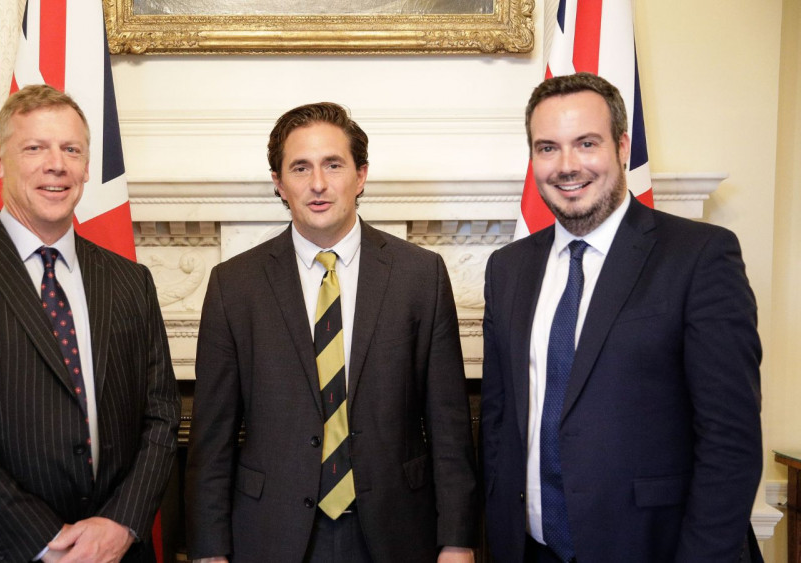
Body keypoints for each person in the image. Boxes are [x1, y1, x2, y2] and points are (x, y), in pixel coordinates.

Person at [0, 84, 180, 563]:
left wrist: (122, 524)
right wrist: (45, 539)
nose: (56, 164)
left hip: (115, 551)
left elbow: (163, 415)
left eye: (71, 149)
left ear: (87, 166)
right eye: (34, 148)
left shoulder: (131, 280)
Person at [481, 72, 763, 562]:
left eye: (586, 143)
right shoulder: (508, 268)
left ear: (622, 146)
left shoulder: (699, 256)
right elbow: (498, 420)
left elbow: (730, 442)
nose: (566, 166)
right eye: (547, 148)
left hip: (655, 548)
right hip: (530, 550)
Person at [185, 102, 479, 563]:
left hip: (396, 530)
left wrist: (458, 542)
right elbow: (211, 437)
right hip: (271, 534)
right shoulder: (233, 285)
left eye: (333, 165)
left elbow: (449, 427)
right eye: (300, 168)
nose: (317, 184)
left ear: (360, 176)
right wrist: (208, 551)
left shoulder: (419, 275)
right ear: (279, 184)